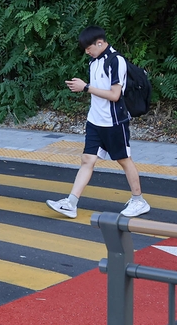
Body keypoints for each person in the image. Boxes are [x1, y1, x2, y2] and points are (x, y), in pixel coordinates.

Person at [45, 26, 150, 218]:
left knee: (123, 159)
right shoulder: (93, 62)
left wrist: (85, 87)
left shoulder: (116, 61)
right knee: (87, 160)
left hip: (114, 121)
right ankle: (71, 203)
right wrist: (86, 87)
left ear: (99, 43)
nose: (86, 51)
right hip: (95, 120)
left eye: (88, 47)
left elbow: (115, 95)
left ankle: (139, 200)